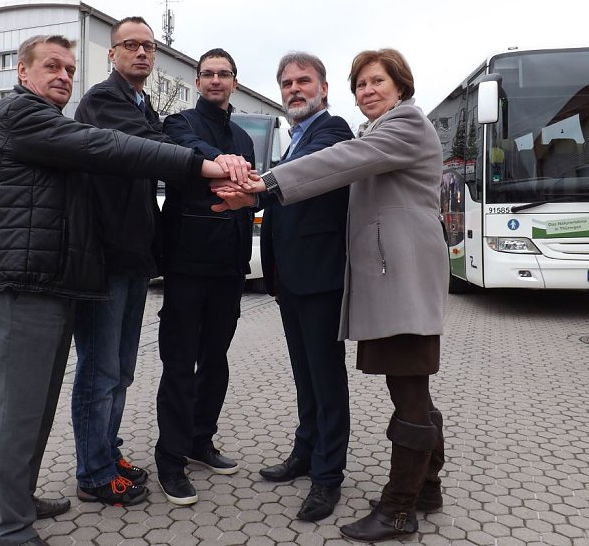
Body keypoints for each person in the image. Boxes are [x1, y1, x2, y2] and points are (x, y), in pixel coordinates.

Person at [0, 34, 229, 546]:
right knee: (18, 408)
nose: (63, 75)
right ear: (23, 74)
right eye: (51, 67)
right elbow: (106, 145)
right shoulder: (22, 116)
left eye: (68, 67)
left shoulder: (49, 122)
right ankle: (10, 527)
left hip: (48, 280)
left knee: (35, 405)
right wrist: (201, 165)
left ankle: (16, 498)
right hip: (20, 282)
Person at [214, 48, 448, 542]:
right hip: (389, 282)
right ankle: (427, 489)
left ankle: (398, 510)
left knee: (410, 394)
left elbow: (343, 161)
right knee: (412, 392)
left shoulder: (403, 126)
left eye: (377, 81)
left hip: (403, 281)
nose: (368, 91)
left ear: (401, 86)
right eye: (361, 83)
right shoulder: (381, 131)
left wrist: (264, 185)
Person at [69, 16, 168, 507]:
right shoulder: (103, 102)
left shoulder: (143, 103)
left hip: (134, 258)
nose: (141, 53)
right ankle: (93, 473)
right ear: (112, 54)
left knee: (123, 369)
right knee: (100, 369)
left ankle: (108, 450)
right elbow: (155, 150)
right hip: (103, 258)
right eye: (130, 45)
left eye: (148, 46)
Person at [154, 48, 255, 505]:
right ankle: (170, 459)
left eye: (224, 74)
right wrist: (223, 160)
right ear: (198, 82)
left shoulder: (244, 137)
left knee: (216, 360)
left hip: (228, 268)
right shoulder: (178, 123)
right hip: (185, 265)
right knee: (179, 363)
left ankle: (200, 439)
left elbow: (250, 196)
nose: (216, 80)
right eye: (208, 74)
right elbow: (189, 154)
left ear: (235, 81)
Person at [256, 52, 354, 522]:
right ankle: (305, 451)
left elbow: (309, 175)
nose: (295, 89)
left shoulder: (331, 132)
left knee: (326, 378)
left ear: (324, 88)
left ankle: (328, 476)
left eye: (303, 81)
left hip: (320, 279)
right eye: (287, 83)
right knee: (304, 375)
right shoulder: (293, 140)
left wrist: (258, 185)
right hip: (291, 280)